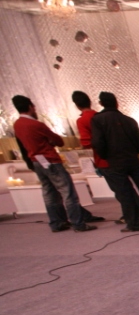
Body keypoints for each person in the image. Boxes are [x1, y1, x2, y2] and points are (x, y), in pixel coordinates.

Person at [12, 95, 96, 233]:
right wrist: (50, 142)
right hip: (50, 160)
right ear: (30, 107)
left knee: (49, 193)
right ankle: (78, 223)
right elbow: (58, 141)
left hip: (36, 161)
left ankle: (57, 222)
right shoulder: (36, 124)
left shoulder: (17, 125)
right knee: (68, 192)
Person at [91, 92, 139, 232]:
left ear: (100, 103)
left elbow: (97, 142)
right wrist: (134, 152)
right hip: (133, 159)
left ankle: (135, 224)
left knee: (125, 193)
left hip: (115, 161)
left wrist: (106, 155)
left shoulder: (97, 120)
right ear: (117, 103)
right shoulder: (129, 120)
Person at [68, 91, 108, 225]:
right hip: (115, 154)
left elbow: (86, 142)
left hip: (102, 157)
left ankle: (133, 214)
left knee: (118, 187)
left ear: (76, 105)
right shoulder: (100, 115)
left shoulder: (82, 120)